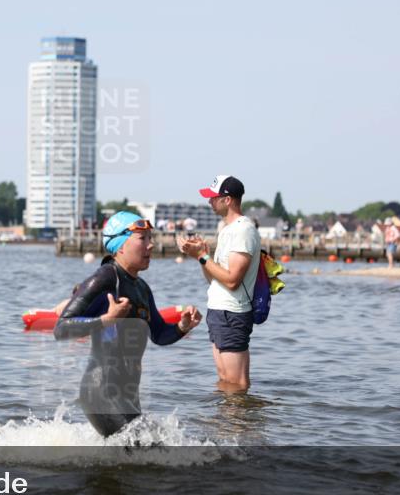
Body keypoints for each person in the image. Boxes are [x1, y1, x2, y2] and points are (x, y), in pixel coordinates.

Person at [54, 211, 202, 437]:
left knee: (142, 459)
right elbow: (62, 328)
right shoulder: (105, 278)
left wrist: (183, 327)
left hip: (128, 395)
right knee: (150, 453)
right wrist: (106, 319)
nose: (151, 245)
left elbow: (160, 335)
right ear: (120, 245)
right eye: (143, 239)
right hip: (101, 393)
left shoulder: (141, 288)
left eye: (150, 238)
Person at [180, 175, 260, 394]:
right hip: (219, 311)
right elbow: (215, 279)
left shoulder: (243, 230)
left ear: (227, 200)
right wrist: (201, 257)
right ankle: (225, 426)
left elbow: (233, 280)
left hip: (232, 313)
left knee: (237, 383)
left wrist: (203, 257)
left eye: (213, 197)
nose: (209, 202)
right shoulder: (226, 230)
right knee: (224, 379)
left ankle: (239, 426)